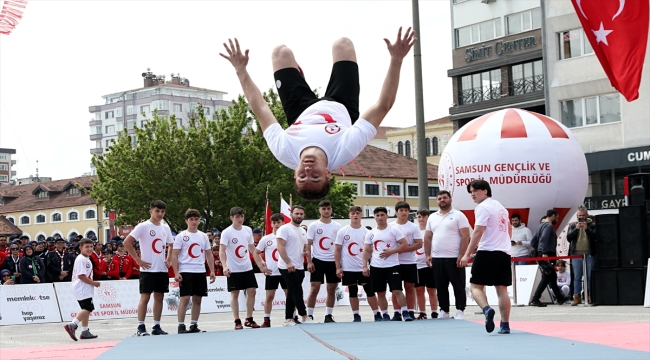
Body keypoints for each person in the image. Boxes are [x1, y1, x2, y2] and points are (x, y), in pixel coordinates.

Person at [220, 28, 416, 200]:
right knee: (343, 44)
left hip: (300, 111)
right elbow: (383, 106)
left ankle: (298, 74)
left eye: (303, 176)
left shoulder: (284, 151)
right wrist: (396, 59)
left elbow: (260, 107)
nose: (308, 170)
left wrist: (240, 70)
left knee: (280, 52)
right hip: (341, 105)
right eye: (315, 176)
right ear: (328, 173)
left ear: (294, 174)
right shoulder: (345, 148)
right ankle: (301, 74)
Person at [459, 180, 511, 334]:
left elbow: (478, 231)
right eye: (470, 192)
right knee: (502, 290)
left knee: (475, 286)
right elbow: (508, 228)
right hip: (504, 252)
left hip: (488, 250)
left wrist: (467, 253)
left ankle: (487, 309)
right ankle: (505, 325)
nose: (472, 194)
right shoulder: (501, 207)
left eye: (475, 191)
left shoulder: (482, 207)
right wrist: (506, 245)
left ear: (485, 191)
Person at [123, 200, 175, 336]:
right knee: (145, 297)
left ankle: (156, 326)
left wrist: (168, 258)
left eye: (162, 211)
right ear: (151, 211)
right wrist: (138, 259)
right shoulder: (143, 226)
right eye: (157, 211)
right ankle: (140, 327)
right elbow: (127, 242)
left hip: (161, 269)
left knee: (159, 296)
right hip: (147, 269)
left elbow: (171, 244)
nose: (160, 214)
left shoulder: (165, 228)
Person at [425, 191, 471, 320]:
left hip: (454, 258)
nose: (442, 200)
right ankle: (444, 310)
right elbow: (428, 237)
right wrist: (428, 255)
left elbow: (465, 236)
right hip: (437, 258)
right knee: (441, 286)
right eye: (439, 198)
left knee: (458, 285)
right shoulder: (432, 217)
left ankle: (460, 310)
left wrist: (462, 255)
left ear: (450, 199)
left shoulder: (458, 215)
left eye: (445, 197)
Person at [363, 207, 413, 321]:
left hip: (392, 265)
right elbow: (366, 251)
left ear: (387, 216)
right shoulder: (370, 233)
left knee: (397, 291)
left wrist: (391, 252)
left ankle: (405, 312)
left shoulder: (394, 230)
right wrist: (364, 266)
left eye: (382, 215)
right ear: (374, 217)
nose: (380, 217)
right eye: (377, 215)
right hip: (376, 266)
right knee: (380, 292)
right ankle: (385, 314)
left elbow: (404, 244)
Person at [171, 209, 215, 334]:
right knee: (185, 298)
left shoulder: (203, 236)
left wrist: (212, 270)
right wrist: (176, 272)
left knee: (198, 299)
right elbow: (174, 255)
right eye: (191, 219)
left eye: (196, 219)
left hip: (200, 270)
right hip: (186, 270)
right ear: (186, 221)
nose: (194, 222)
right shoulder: (181, 236)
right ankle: (180, 325)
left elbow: (209, 254)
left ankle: (194, 324)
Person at [334, 206, 380, 322]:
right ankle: (356, 315)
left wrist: (369, 265)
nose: (355, 215)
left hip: (363, 267)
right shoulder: (343, 231)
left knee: (370, 291)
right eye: (353, 213)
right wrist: (338, 267)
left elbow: (370, 251)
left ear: (361, 215)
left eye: (358, 213)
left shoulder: (367, 232)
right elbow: (337, 250)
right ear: (349, 215)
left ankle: (377, 314)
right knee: (353, 292)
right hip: (348, 267)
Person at [220, 207, 261, 330]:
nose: (240, 219)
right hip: (234, 268)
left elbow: (252, 248)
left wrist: (260, 261)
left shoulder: (248, 230)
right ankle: (236, 320)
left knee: (252, 291)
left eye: (242, 216)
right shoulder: (227, 232)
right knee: (235, 294)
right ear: (231, 217)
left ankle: (249, 318)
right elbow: (222, 251)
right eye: (237, 216)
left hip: (247, 267)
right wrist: (225, 266)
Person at [277, 205, 313, 326]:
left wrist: (306, 253)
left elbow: (302, 247)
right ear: (291, 214)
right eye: (297, 213)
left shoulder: (303, 231)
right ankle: (304, 316)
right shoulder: (284, 229)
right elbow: (280, 247)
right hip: (287, 266)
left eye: (301, 214)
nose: (299, 216)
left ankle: (288, 319)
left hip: (299, 265)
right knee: (297, 290)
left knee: (292, 291)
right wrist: (288, 262)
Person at [306, 200, 341, 322]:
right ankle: (309, 315)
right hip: (318, 260)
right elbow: (308, 245)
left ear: (331, 210)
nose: (326, 211)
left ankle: (328, 315)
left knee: (331, 288)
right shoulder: (313, 226)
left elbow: (340, 246)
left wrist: (339, 265)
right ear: (319, 210)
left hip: (332, 261)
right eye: (324, 209)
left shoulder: (337, 226)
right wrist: (309, 261)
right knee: (314, 288)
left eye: (328, 208)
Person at [387, 201, 422, 321]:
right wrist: (396, 250)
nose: (403, 213)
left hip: (409, 262)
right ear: (396, 212)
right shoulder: (390, 226)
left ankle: (410, 311)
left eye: (406, 210)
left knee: (409, 287)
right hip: (394, 262)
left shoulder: (413, 227)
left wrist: (406, 249)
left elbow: (419, 244)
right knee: (395, 289)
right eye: (401, 210)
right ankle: (397, 313)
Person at [64, 238, 100, 341]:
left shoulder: (86, 258)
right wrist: (94, 283)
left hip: (85, 287)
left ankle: (85, 331)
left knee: (86, 308)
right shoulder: (81, 259)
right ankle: (73, 324)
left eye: (91, 247)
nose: (89, 249)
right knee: (88, 308)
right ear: (81, 248)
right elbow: (81, 276)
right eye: (87, 247)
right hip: (82, 287)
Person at [255, 213, 288, 327]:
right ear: (271, 224)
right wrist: (261, 266)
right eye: (274, 222)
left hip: (285, 271)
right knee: (269, 296)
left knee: (289, 295)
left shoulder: (287, 237)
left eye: (279, 222)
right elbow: (256, 252)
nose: (277, 225)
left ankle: (291, 317)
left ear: (283, 223)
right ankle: (266, 319)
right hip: (272, 272)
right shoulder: (266, 238)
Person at [530, 210, 566, 307]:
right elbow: (544, 238)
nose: (557, 220)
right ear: (553, 216)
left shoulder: (540, 226)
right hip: (547, 254)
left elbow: (533, 241)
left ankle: (560, 298)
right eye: (557, 217)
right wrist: (544, 252)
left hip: (542, 253)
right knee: (547, 276)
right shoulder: (549, 226)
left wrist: (538, 251)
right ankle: (535, 299)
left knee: (551, 276)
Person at [566, 205, 596, 306]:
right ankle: (577, 296)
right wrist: (576, 229)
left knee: (590, 276)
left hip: (589, 253)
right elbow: (569, 238)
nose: (581, 218)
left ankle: (590, 296)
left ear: (587, 215)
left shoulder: (592, 225)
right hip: (576, 253)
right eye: (579, 216)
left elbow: (596, 237)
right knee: (577, 276)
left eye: (583, 215)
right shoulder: (572, 225)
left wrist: (587, 229)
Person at [414, 209, 438, 320]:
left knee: (431, 290)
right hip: (416, 265)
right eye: (419, 216)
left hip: (429, 265)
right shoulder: (414, 231)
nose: (421, 219)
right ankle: (422, 312)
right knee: (419, 290)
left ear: (428, 218)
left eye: (423, 216)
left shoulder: (431, 231)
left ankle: (434, 312)